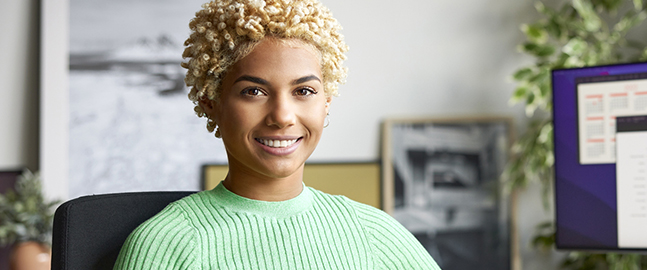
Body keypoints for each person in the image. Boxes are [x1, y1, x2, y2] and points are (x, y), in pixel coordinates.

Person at [113, 0, 440, 269]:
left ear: (326, 103)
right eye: (254, 91)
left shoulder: (374, 233)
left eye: (304, 90)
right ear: (210, 103)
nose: (282, 117)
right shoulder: (168, 245)